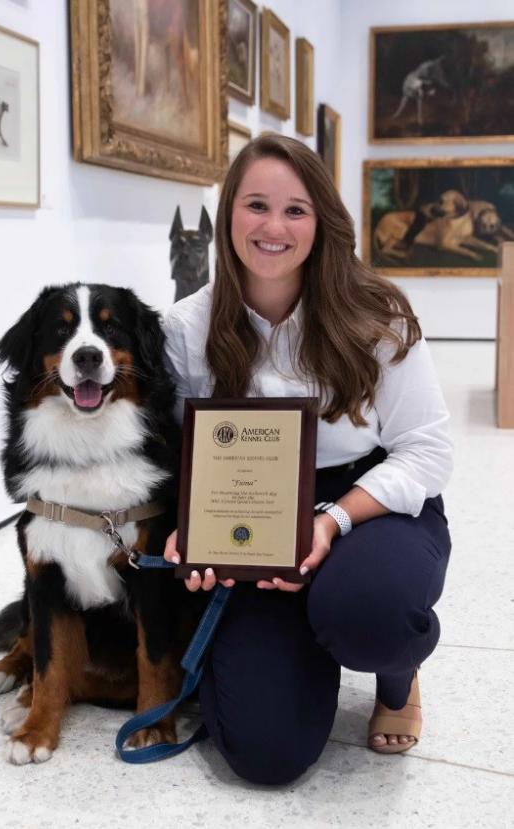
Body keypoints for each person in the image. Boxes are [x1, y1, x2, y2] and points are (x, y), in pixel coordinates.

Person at [161, 134, 452, 786]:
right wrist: (189, 527)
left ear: (322, 222)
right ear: (228, 212)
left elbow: (429, 450)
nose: (273, 226)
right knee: (267, 754)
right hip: (247, 510)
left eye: (295, 210)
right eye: (256, 204)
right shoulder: (185, 328)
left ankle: (396, 679)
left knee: (373, 611)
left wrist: (328, 525)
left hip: (367, 502)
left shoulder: (376, 315)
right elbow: (175, 453)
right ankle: (291, 641)